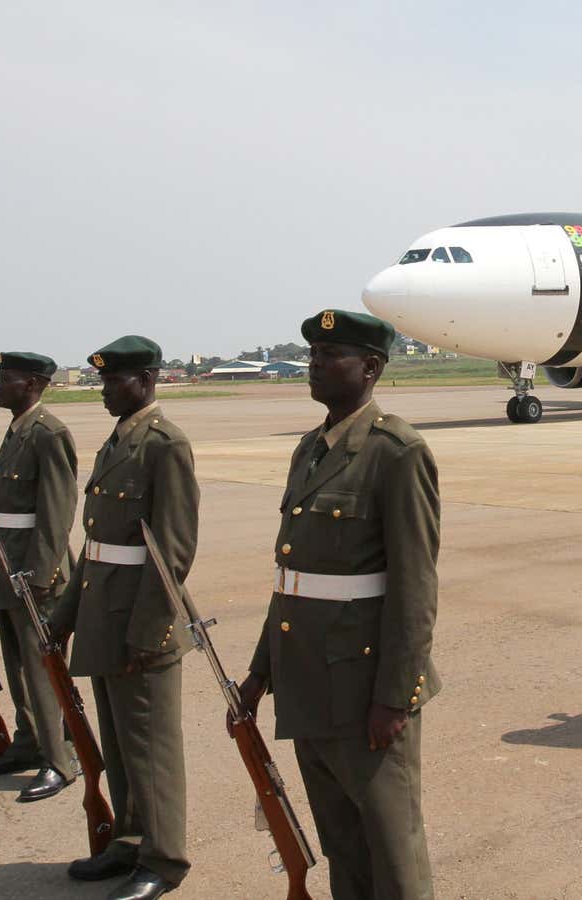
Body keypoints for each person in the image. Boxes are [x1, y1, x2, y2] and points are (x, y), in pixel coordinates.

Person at [239, 309, 442, 900]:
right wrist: (260, 670)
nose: (316, 365)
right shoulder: (309, 450)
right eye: (313, 355)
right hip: (308, 678)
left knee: (391, 845)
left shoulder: (396, 452)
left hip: (363, 686)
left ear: (371, 368)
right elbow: (293, 581)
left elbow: (414, 588)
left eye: (332, 356)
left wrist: (393, 696)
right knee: (341, 842)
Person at [52, 335, 196, 900]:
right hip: (103, 612)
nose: (105, 390)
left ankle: (164, 858)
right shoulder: (119, 442)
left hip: (141, 620)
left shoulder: (164, 444)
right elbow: (97, 544)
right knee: (117, 741)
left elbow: (172, 552)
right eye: (103, 380)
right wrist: (67, 614)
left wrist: (148, 628)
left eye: (114, 381)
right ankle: (131, 840)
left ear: (147, 379)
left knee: (150, 747)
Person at [0, 351, 81, 802]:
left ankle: (60, 759)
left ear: (31, 383)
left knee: (42, 670)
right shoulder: (18, 432)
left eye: (5, 379)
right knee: (18, 668)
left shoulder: (49, 434)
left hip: (34, 575)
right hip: (6, 570)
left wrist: (42, 574)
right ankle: (30, 743)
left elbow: (56, 513)